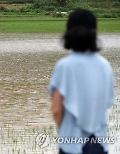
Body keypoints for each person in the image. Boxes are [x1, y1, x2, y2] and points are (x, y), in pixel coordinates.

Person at [48, 9, 114, 154]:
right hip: (99, 144)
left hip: (71, 145)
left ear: (68, 33)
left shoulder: (64, 66)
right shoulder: (105, 65)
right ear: (94, 32)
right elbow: (106, 103)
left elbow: (56, 110)